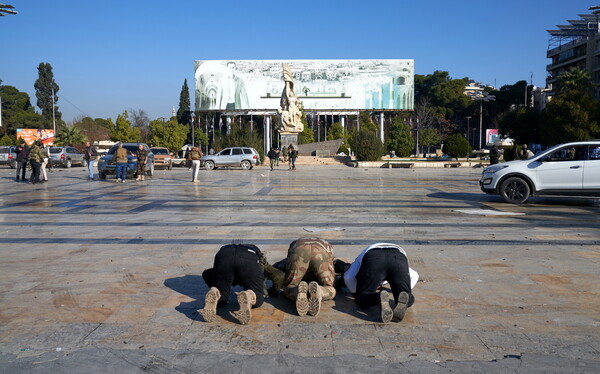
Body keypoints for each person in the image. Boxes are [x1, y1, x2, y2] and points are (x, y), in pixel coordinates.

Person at [342, 243, 419, 323]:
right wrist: (402, 289)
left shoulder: (361, 256)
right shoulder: (399, 254)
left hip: (373, 258)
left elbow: (348, 277)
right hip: (398, 258)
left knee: (361, 299)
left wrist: (355, 291)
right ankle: (406, 297)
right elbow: (415, 276)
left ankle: (377, 297)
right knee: (405, 295)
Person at [199, 244, 270, 325]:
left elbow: (206, 274)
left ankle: (216, 292)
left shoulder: (225, 249)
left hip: (223, 255)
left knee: (222, 298)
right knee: (258, 297)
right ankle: (249, 295)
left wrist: (216, 282)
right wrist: (275, 289)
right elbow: (278, 276)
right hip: (248, 259)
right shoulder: (257, 256)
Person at [283, 238, 336, 317]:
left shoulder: (290, 252)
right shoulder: (328, 249)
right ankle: (321, 291)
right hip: (321, 251)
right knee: (330, 288)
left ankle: (296, 291)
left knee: (289, 286)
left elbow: (281, 266)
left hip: (299, 250)